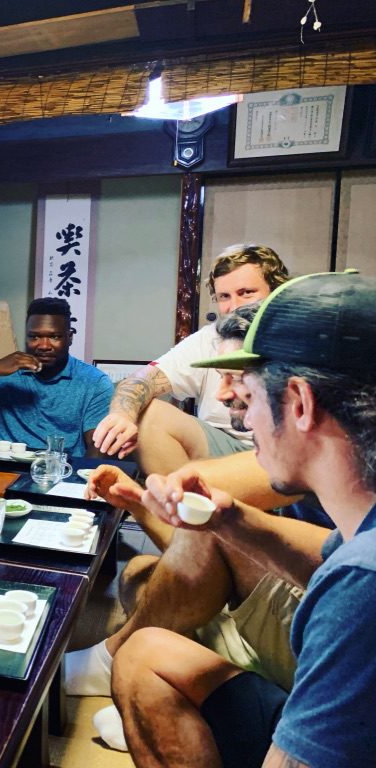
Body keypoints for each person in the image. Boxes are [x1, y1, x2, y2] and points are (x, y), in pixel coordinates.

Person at [112, 271, 376, 767]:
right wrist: (226, 521)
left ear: (299, 402)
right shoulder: (361, 541)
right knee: (144, 638)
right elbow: (330, 558)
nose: (236, 407)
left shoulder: (363, 586)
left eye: (249, 397)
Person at [65, 304, 330, 752]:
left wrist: (205, 509)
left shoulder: (327, 466)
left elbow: (350, 576)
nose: (224, 394)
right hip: (295, 601)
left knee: (143, 654)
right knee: (140, 575)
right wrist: (141, 501)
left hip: (325, 646)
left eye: (237, 376)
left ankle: (127, 667)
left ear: (301, 396)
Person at [93, 244, 289, 474]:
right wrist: (122, 415)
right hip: (223, 450)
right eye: (224, 296)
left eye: (246, 292)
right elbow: (141, 379)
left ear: (276, 291)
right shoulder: (211, 338)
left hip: (289, 455)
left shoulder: (300, 338)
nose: (234, 307)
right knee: (149, 412)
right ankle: (181, 505)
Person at [0, 297, 112, 457]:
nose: (44, 346)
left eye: (54, 337)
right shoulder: (5, 373)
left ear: (70, 337)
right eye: (35, 337)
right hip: (3, 466)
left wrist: (80, 482)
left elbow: (97, 446)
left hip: (59, 469)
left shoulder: (94, 382)